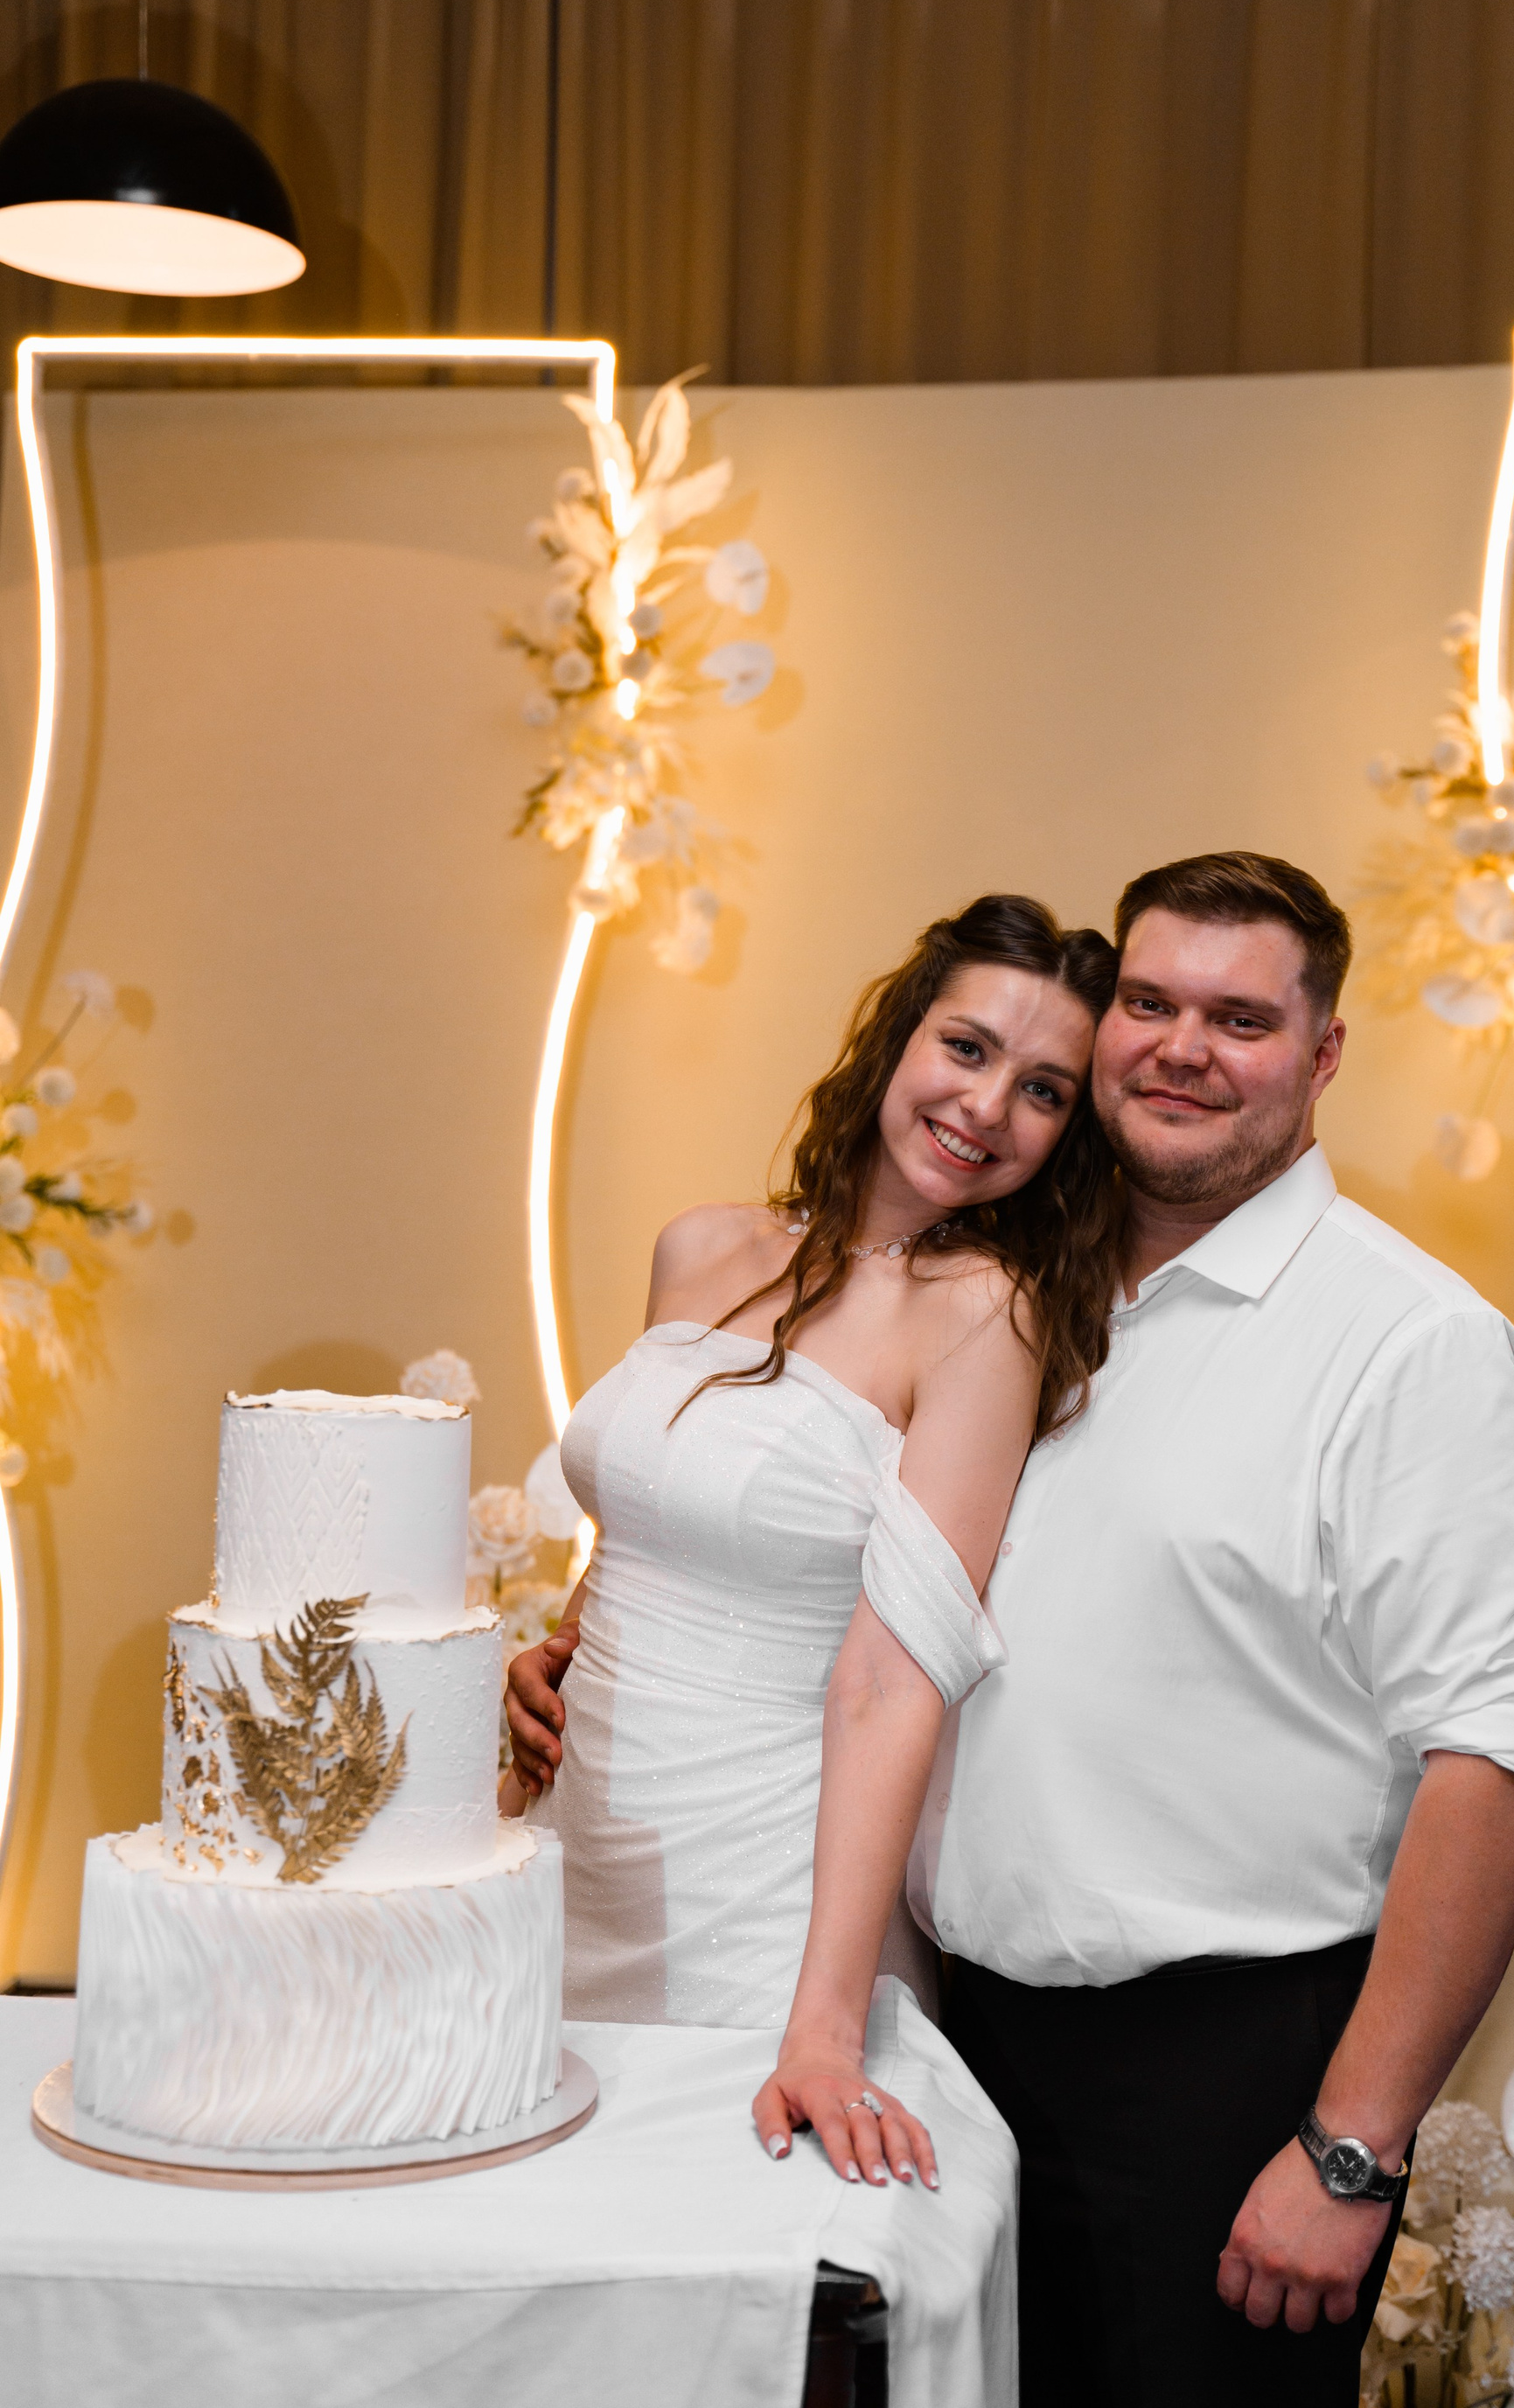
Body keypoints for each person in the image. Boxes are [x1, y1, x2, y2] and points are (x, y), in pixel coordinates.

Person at [880, 849, 1514, 2403]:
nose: (1182, 1048)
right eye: (1149, 1002)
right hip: (958, 2045)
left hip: (1216, 2087)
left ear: (1324, 1052)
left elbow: (1494, 1761)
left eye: (1241, 1018)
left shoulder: (1410, 1344)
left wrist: (1350, 2149)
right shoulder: (1019, 1289)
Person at [503, 892, 1123, 2189]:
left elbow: (896, 1676)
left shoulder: (983, 1315)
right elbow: (652, 1519)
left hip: (760, 1886)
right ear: (901, 1035)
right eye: (967, 1048)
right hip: (573, 1843)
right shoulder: (700, 1244)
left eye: (1043, 1091)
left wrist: (826, 2028)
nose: (986, 1106)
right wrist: (558, 1651)